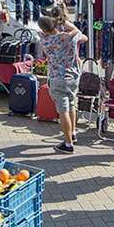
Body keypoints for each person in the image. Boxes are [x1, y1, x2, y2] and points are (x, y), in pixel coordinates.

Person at [38, 15, 87, 154]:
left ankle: (68, 143)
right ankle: (72, 133)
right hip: (73, 76)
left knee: (63, 110)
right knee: (72, 104)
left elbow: (43, 33)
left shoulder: (45, 40)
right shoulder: (69, 37)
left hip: (57, 78)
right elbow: (83, 36)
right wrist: (68, 28)